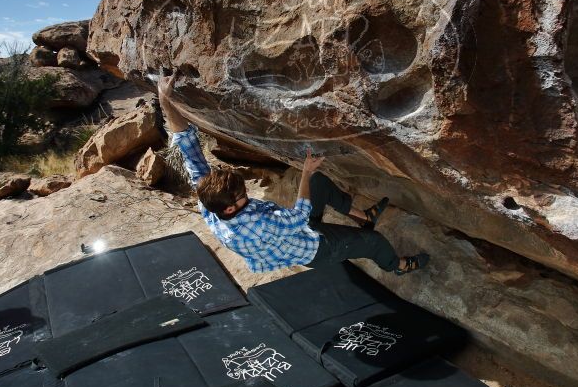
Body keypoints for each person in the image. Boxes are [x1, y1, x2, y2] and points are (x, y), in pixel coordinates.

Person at [158, 72, 429, 275]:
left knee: (319, 183)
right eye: (242, 196)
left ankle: (363, 217)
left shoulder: (209, 202)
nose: (247, 196)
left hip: (291, 232)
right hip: (313, 247)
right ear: (230, 210)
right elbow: (298, 217)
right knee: (374, 242)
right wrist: (305, 174)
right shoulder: (254, 227)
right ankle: (398, 265)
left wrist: (165, 100)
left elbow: (188, 145)